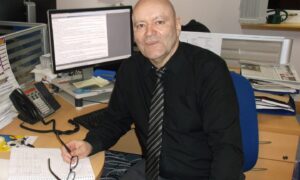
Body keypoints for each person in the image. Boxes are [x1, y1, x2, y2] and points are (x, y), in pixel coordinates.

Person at [61, 0, 243, 179]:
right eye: (141, 25)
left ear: (177, 26)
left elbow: (227, 148)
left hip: (201, 174)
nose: (149, 33)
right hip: (151, 170)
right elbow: (115, 120)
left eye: (159, 22)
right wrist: (89, 144)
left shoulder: (209, 70)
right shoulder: (130, 69)